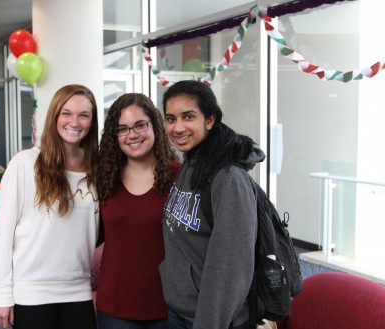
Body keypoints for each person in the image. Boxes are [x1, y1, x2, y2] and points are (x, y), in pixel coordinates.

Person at [0, 84, 100, 329]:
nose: (75, 121)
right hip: (31, 291)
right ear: (54, 116)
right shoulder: (26, 163)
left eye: (84, 115)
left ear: (92, 122)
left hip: (78, 289)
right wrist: (1, 294)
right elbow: (3, 233)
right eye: (66, 113)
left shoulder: (96, 168)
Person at [160, 80, 266, 329]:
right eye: (170, 118)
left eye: (188, 116)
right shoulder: (192, 162)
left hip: (212, 320)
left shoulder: (228, 177)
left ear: (210, 120)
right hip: (183, 311)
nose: (177, 127)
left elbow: (231, 268)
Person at [96, 93, 180, 329]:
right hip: (115, 306)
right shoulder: (104, 179)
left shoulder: (181, 177)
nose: (132, 135)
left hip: (169, 305)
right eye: (122, 129)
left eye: (140, 125)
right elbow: (89, 237)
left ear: (155, 125)